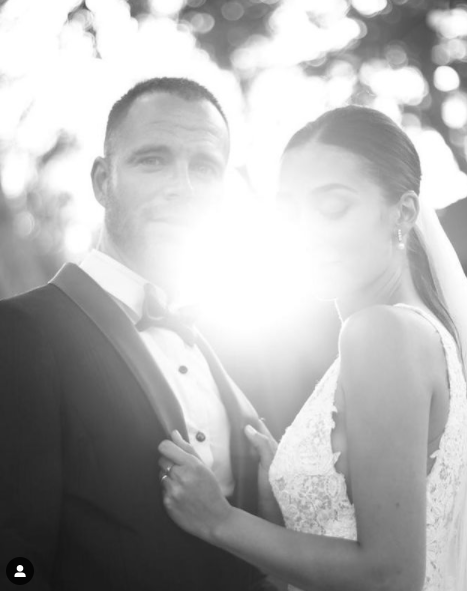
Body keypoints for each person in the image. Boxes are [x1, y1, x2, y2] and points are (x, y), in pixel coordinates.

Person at [158, 106, 467, 591]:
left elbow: (390, 578)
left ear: (404, 213)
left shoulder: (381, 332)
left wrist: (221, 520)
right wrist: (287, 499)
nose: (304, 231)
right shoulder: (424, 332)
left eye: (333, 207)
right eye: (289, 212)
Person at [0, 77, 274, 591]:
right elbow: (14, 558)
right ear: (103, 181)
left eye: (204, 167)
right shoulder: (20, 331)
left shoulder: (225, 346)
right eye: (153, 160)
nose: (182, 187)